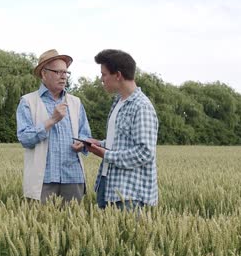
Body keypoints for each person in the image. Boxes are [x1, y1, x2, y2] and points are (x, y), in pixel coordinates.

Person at [16, 49, 92, 204]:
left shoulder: (76, 102)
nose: (63, 76)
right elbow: (25, 138)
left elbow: (85, 135)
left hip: (73, 178)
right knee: (39, 226)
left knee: (74, 226)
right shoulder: (28, 102)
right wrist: (51, 120)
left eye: (66, 72)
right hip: (43, 180)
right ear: (44, 74)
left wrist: (83, 144)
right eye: (58, 72)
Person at [86, 49, 159, 210]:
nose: (101, 79)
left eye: (104, 74)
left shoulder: (141, 107)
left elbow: (145, 152)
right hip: (108, 184)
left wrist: (105, 154)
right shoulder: (118, 102)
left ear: (118, 75)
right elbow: (120, 142)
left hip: (130, 194)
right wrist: (97, 143)